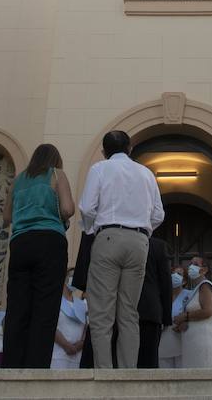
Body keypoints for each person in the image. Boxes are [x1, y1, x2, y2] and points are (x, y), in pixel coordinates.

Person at [78, 130, 166, 369]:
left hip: (108, 236)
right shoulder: (146, 173)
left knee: (102, 312)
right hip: (139, 241)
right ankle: (128, 371)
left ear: (104, 151)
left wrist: (91, 231)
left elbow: (87, 208)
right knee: (129, 312)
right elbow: (158, 214)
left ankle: (105, 372)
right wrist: (143, 230)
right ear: (130, 149)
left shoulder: (99, 169)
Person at [2, 142, 76, 368]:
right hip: (49, 241)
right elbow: (67, 209)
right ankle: (36, 365)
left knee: (18, 305)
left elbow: (6, 217)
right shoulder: (57, 174)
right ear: (55, 160)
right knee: (45, 306)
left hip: (21, 243)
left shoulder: (18, 179)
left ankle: (12, 364)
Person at [174, 255, 212, 367]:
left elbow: (208, 311)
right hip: (193, 340)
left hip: (204, 339)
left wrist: (185, 316)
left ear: (204, 269)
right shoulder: (196, 289)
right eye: (190, 264)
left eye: (195, 264)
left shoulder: (205, 286)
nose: (191, 267)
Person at [138, 235, 174, 368]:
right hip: (150, 310)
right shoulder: (157, 245)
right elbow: (165, 281)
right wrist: (166, 317)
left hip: (126, 309)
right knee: (148, 362)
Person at [51, 272, 88, 369]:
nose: (75, 279)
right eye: (72, 276)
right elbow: (51, 324)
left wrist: (80, 345)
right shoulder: (55, 300)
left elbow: (86, 328)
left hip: (76, 358)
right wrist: (65, 345)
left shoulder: (82, 305)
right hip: (57, 356)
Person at [158, 266, 186, 369]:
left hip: (182, 343)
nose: (175, 276)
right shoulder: (160, 296)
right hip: (163, 342)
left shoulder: (189, 295)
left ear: (184, 280)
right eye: (173, 273)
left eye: (179, 274)